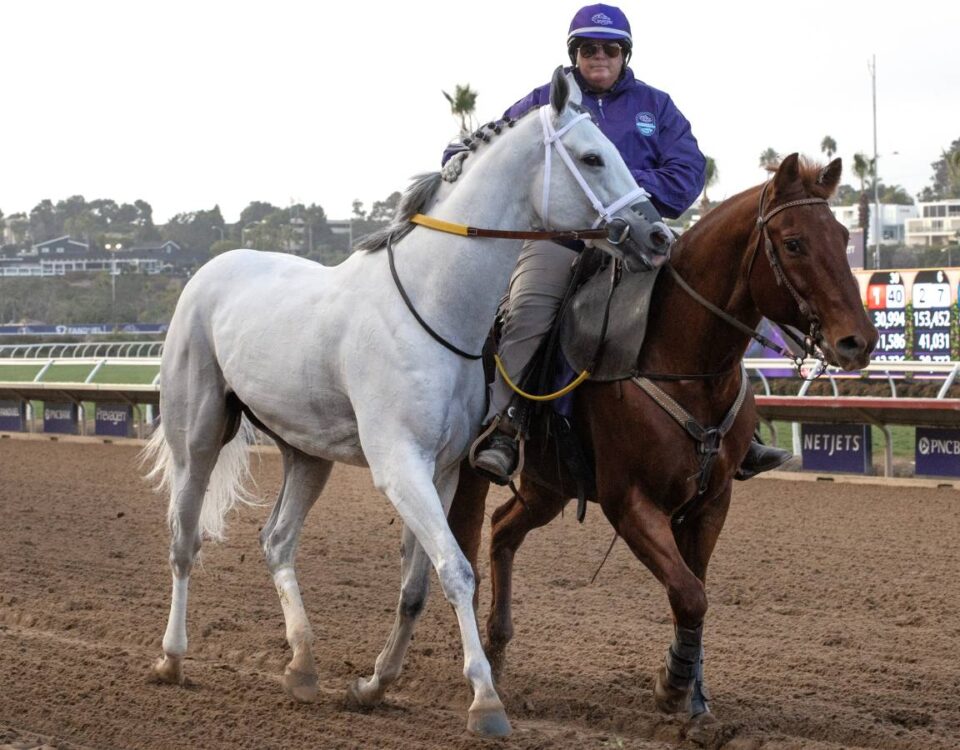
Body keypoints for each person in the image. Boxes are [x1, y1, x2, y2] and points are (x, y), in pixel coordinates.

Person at [459, 3, 791, 485]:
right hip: (563, 241)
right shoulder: (541, 103)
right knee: (529, 312)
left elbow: (686, 174)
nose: (600, 56)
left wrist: (615, 183)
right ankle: (505, 426)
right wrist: (463, 148)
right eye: (588, 49)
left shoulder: (655, 106)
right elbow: (478, 155)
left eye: (610, 49)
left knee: (705, 306)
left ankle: (741, 432)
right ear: (574, 55)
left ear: (624, 54)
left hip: (639, 238)